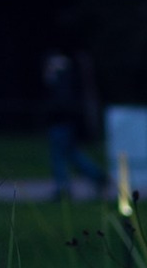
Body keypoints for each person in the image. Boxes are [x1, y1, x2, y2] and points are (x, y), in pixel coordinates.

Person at [44, 51, 107, 200]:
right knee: (72, 154)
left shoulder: (61, 81)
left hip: (61, 124)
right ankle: (97, 176)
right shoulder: (69, 80)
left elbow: (60, 104)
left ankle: (62, 189)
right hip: (66, 124)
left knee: (58, 157)